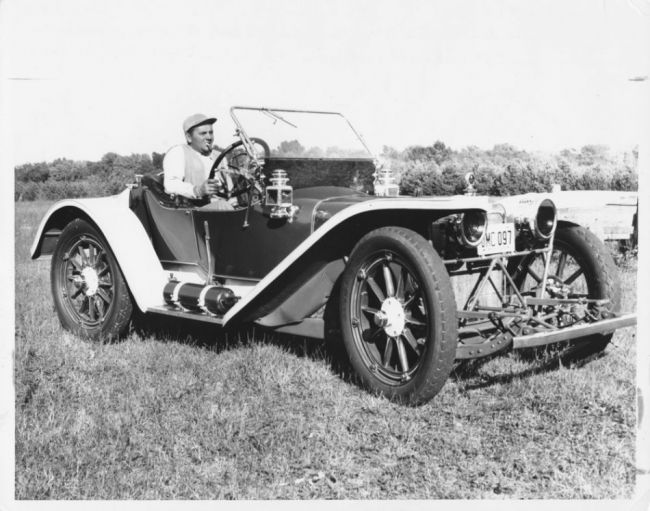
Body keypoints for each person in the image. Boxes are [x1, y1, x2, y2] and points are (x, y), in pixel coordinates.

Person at [163, 113, 234, 209]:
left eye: (211, 132)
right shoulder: (178, 153)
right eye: (203, 133)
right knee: (224, 206)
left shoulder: (219, 156)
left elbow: (230, 187)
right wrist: (197, 190)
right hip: (194, 210)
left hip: (223, 205)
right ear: (189, 137)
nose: (209, 137)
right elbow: (171, 185)